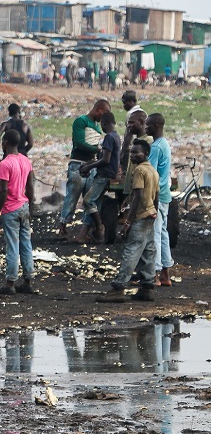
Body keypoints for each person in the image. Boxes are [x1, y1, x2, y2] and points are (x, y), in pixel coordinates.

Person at [96, 140, 159, 302]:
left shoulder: (138, 170)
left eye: (136, 152)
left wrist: (127, 223)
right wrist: (154, 211)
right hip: (150, 215)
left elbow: (138, 196)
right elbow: (155, 195)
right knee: (148, 252)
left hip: (140, 216)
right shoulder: (152, 170)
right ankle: (147, 288)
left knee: (131, 251)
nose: (132, 155)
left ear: (145, 154)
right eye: (131, 152)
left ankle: (118, 288)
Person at [0, 130, 36, 295]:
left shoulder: (5, 164)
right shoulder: (26, 161)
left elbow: (3, 192)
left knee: (12, 246)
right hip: (24, 206)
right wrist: (30, 207)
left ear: (5, 143)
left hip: (11, 209)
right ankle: (28, 281)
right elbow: (30, 187)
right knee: (26, 244)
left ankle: (10, 283)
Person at [58, 100, 110, 239]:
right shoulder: (81, 121)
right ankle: (63, 226)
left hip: (91, 165)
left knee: (89, 198)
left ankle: (85, 231)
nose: (103, 118)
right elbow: (79, 143)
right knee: (72, 196)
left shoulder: (97, 126)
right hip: (78, 163)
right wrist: (98, 150)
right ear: (98, 109)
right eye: (103, 114)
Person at [79, 112, 121, 243]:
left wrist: (89, 167)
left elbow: (106, 160)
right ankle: (94, 230)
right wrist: (89, 164)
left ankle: (99, 226)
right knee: (96, 201)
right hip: (110, 173)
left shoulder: (109, 137)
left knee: (88, 201)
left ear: (104, 123)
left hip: (104, 174)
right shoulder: (116, 136)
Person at [145, 113, 174, 286]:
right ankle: (166, 273)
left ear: (156, 125)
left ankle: (154, 274)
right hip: (165, 195)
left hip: (156, 195)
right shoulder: (164, 144)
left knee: (154, 233)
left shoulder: (155, 147)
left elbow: (151, 175)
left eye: (148, 125)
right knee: (163, 233)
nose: (145, 127)